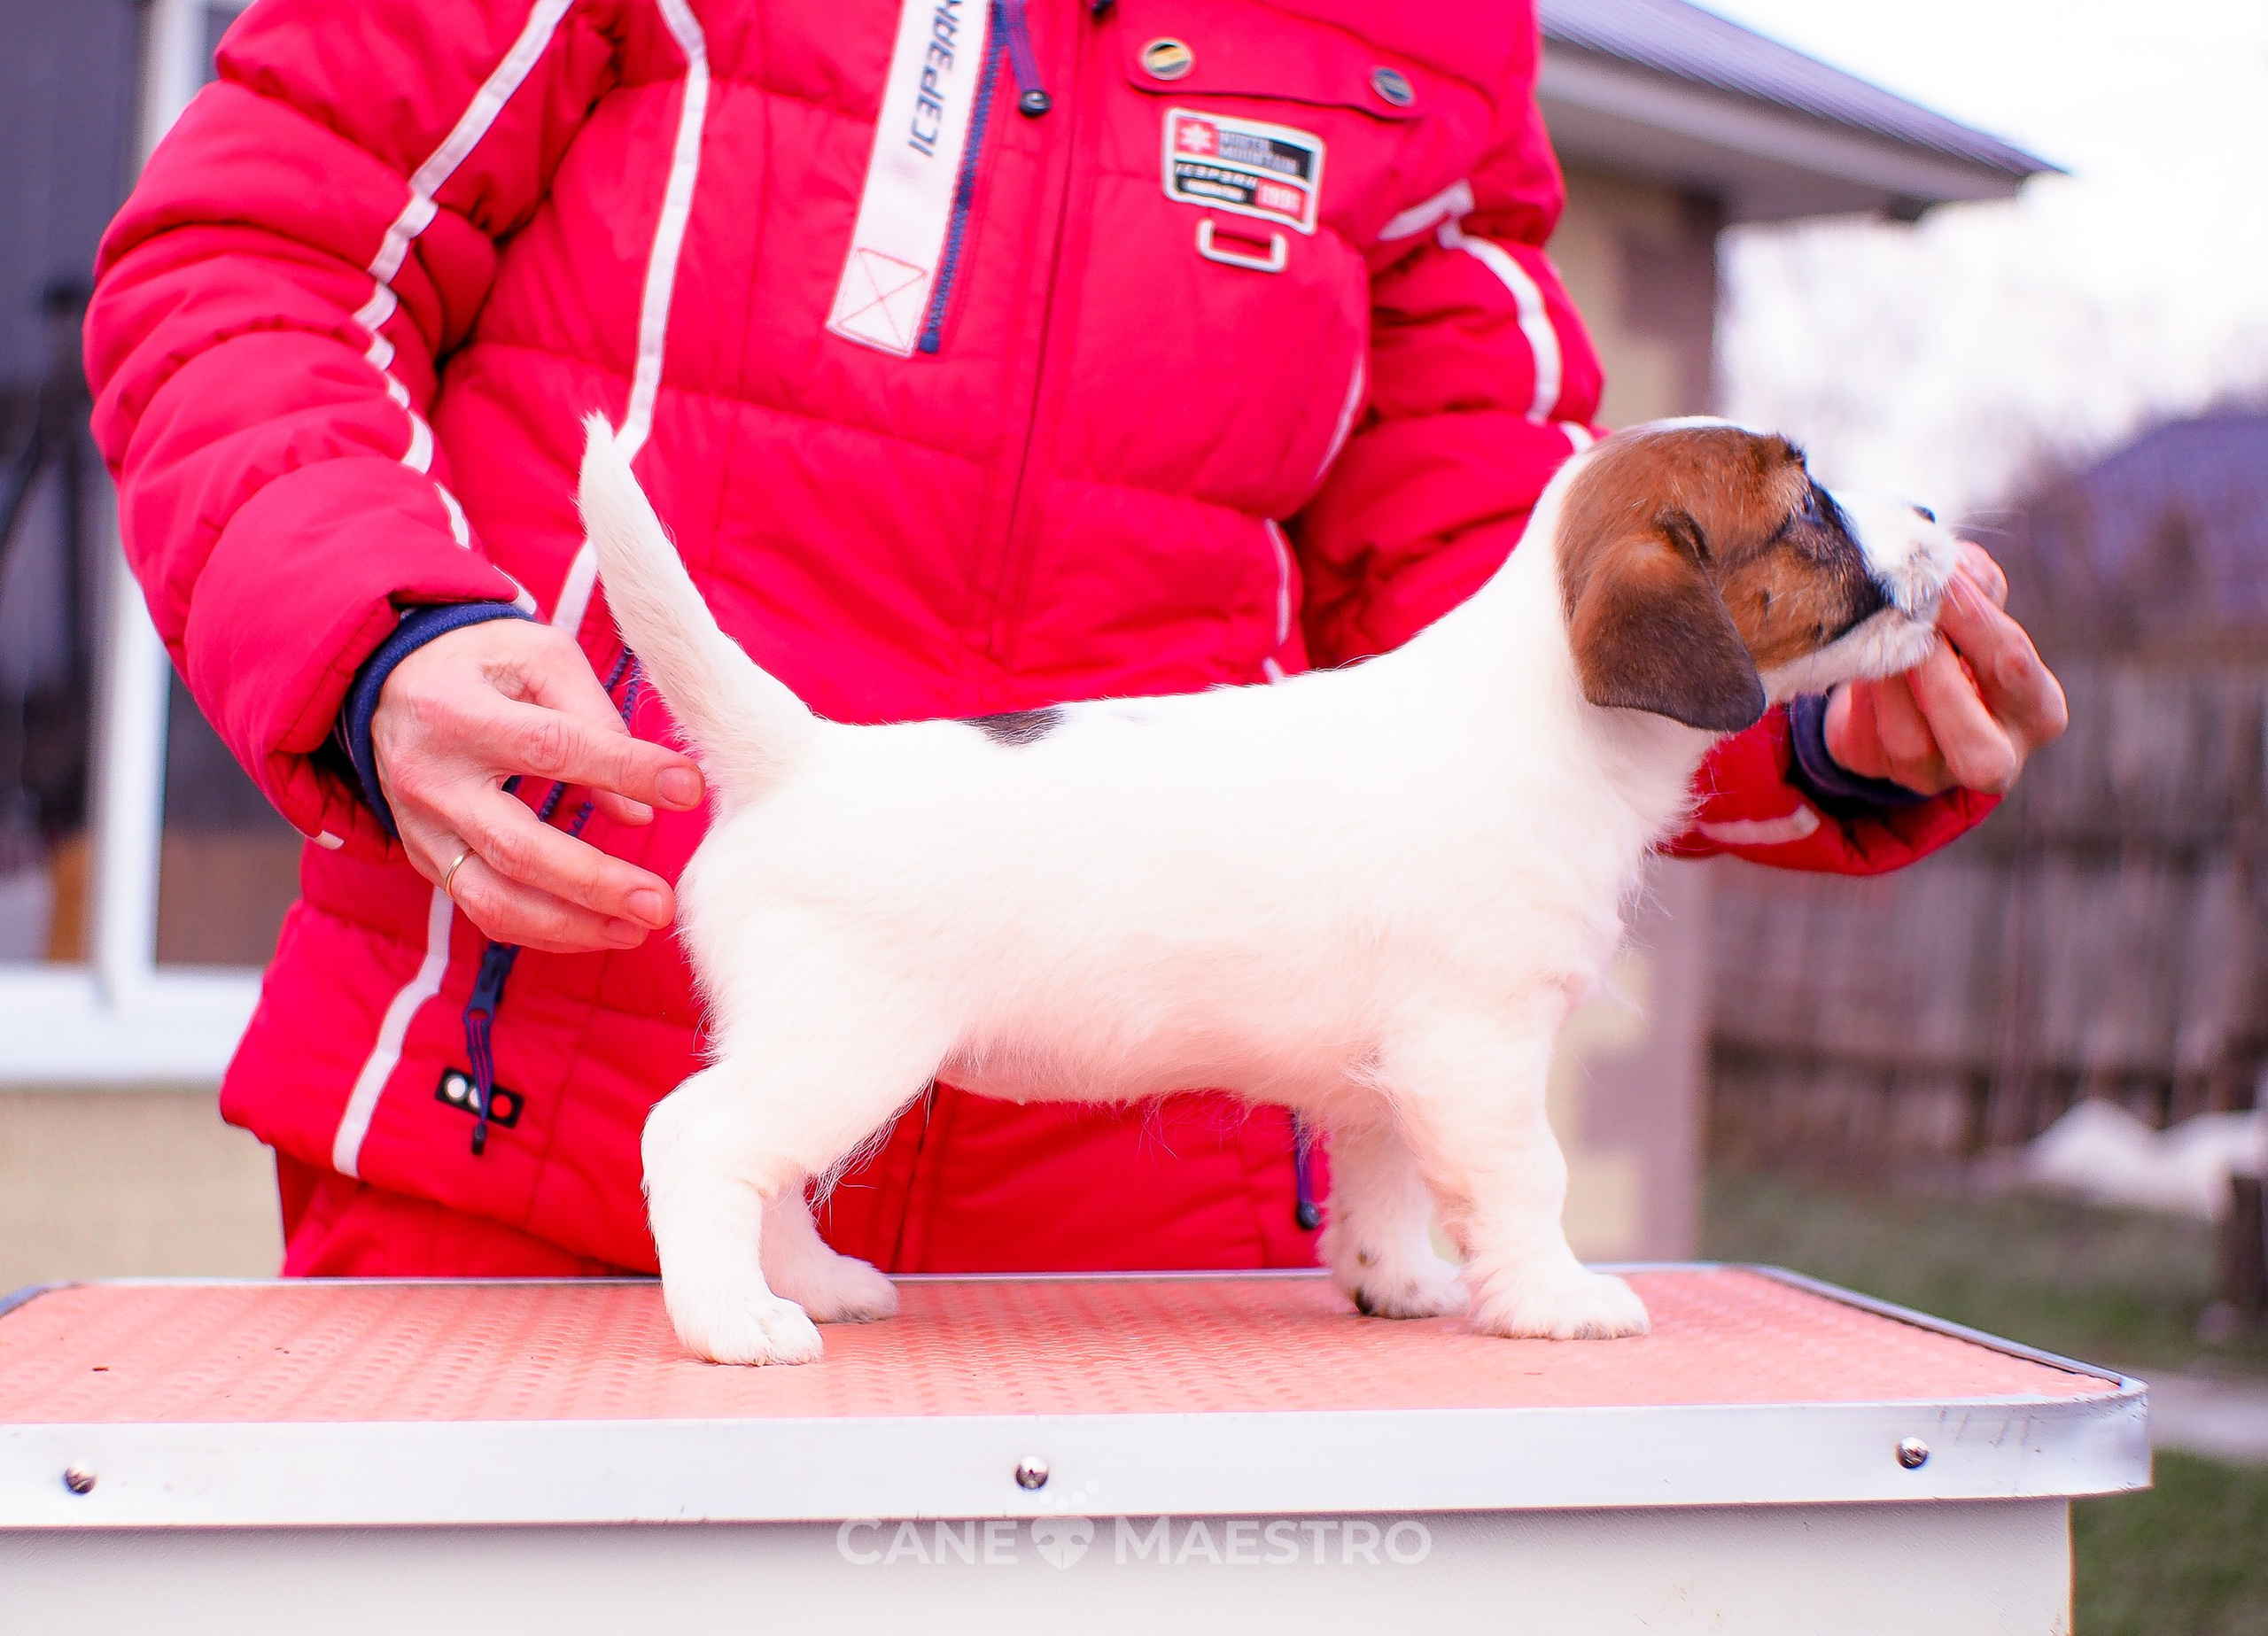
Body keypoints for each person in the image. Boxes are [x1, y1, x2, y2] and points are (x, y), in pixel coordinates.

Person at [85, 0, 2065, 1280]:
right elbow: (256, 261)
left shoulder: (1427, 32)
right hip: (540, 1130)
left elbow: (1502, 559)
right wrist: (380, 633)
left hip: (1157, 1221)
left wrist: (1810, 717)